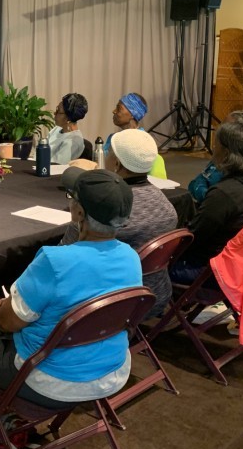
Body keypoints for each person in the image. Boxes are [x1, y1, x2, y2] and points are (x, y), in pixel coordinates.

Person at [0, 169, 142, 408]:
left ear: (79, 212)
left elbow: (8, 322)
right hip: (112, 372)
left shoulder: (55, 261)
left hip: (48, 380)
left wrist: (3, 308)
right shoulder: (131, 257)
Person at [62, 129, 177, 318]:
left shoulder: (105, 212)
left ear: (115, 164)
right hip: (155, 296)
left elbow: (65, 255)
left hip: (107, 306)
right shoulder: (166, 204)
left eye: (108, 153)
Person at [170, 121, 243, 285]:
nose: (213, 150)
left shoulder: (224, 194)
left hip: (213, 272)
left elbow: (193, 238)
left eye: (216, 145)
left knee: (150, 267)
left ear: (227, 154)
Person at [188, 109, 243, 203]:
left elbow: (215, 198)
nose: (219, 128)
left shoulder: (240, 168)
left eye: (225, 125)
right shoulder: (222, 157)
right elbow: (195, 183)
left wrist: (201, 190)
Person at [104, 92, 167, 178]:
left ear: (132, 114)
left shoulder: (144, 144)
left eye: (119, 108)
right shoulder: (113, 138)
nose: (114, 111)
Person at [48, 92, 88, 164]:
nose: (54, 113)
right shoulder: (56, 129)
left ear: (68, 118)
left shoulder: (73, 141)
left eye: (58, 111)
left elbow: (57, 165)